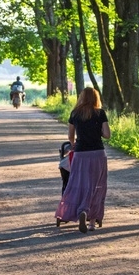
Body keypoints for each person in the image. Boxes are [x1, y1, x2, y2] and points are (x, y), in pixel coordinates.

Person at [55, 87, 111, 233]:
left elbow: (70, 136)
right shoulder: (100, 113)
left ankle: (81, 210)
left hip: (81, 154)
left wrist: (74, 145)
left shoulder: (75, 113)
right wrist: (96, 131)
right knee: (97, 185)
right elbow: (107, 135)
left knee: (79, 184)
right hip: (98, 153)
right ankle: (92, 222)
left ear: (81, 97)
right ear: (95, 98)